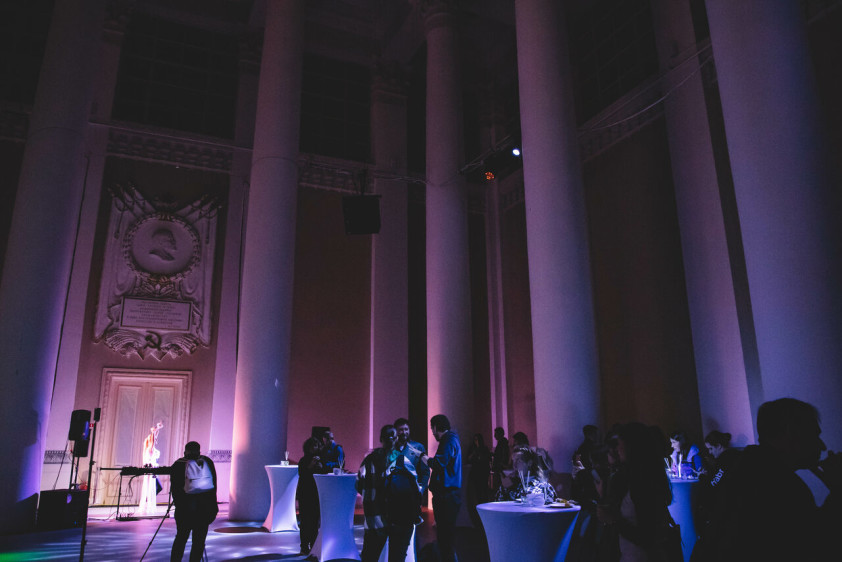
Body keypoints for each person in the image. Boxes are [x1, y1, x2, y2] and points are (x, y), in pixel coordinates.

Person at [710, 398, 842, 561]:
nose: (822, 446)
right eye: (814, 435)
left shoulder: (751, 469)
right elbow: (819, 547)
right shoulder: (780, 486)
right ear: (791, 432)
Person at [596, 423, 676, 561]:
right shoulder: (641, 477)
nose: (617, 449)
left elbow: (647, 536)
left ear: (631, 446)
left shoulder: (643, 483)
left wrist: (613, 519)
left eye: (619, 443)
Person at [356, 424, 421, 562]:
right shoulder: (404, 461)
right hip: (401, 518)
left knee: (370, 557)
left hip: (375, 518)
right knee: (397, 557)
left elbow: (359, 484)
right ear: (396, 439)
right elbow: (415, 487)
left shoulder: (369, 461)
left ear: (381, 439)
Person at [690, 430, 740, 562]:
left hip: (727, 513)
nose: (710, 452)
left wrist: (703, 477)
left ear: (718, 446)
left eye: (711, 448)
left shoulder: (726, 460)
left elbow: (714, 484)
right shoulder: (735, 456)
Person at [421, 414, 462, 562]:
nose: (432, 433)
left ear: (436, 427)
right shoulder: (452, 439)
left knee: (445, 537)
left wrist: (423, 457)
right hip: (448, 496)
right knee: (446, 537)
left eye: (432, 428)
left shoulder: (448, 440)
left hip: (447, 497)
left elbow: (439, 463)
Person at [170, 441, 218, 562]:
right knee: (199, 542)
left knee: (181, 539)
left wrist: (179, 506)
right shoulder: (207, 462)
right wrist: (213, 509)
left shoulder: (178, 464)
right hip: (204, 511)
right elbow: (213, 487)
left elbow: (175, 489)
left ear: (185, 451)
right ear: (199, 451)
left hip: (185, 511)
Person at [297, 436, 328, 556]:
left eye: (316, 445)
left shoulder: (321, 460)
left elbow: (324, 474)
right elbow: (302, 473)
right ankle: (304, 546)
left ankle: (314, 545)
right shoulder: (303, 460)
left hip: (316, 493)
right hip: (305, 493)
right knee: (305, 520)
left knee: (315, 521)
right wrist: (311, 464)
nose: (314, 448)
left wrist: (321, 467)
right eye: (312, 446)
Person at [394, 417, 431, 494]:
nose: (404, 432)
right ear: (396, 431)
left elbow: (425, 471)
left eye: (406, 429)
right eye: (401, 430)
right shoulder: (392, 448)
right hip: (394, 491)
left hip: (412, 491)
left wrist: (421, 489)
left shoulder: (418, 447)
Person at [465, 433, 491, 526]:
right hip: (476, 472)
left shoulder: (484, 449)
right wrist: (474, 453)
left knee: (483, 490)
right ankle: (480, 509)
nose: (476, 441)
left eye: (477, 439)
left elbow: (487, 459)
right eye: (475, 439)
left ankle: (484, 508)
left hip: (483, 472)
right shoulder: (472, 449)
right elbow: (468, 459)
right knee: (477, 492)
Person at [490, 427, 510, 491]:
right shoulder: (502, 443)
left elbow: (502, 455)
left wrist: (501, 464)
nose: (494, 436)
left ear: (500, 434)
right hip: (500, 467)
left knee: (499, 485)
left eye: (496, 434)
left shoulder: (502, 443)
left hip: (500, 468)